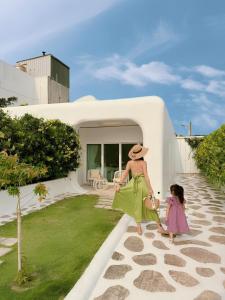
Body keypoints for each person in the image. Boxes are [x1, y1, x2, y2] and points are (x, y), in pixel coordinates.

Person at [112, 144, 165, 235]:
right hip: (143, 185)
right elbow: (146, 177)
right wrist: (150, 189)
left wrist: (119, 184)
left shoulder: (130, 163)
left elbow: (124, 174)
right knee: (150, 205)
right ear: (141, 154)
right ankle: (159, 227)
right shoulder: (143, 163)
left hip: (133, 186)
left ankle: (139, 228)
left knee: (137, 206)